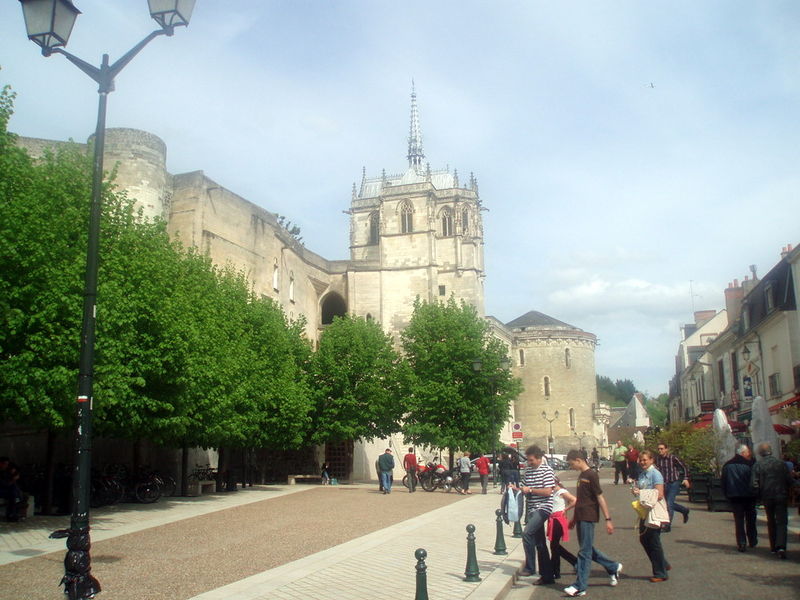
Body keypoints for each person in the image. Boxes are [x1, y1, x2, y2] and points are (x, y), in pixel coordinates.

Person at [562, 450, 622, 597]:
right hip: (581, 516)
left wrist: (608, 519)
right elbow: (581, 500)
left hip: (588, 517)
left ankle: (580, 586)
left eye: (572, 464)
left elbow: (600, 497)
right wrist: (574, 519)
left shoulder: (591, 475)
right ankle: (613, 566)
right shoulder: (581, 475)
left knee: (584, 552)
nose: (571, 467)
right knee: (587, 549)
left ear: (578, 460)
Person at [516, 445, 556, 585]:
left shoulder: (547, 471)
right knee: (540, 543)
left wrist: (531, 490)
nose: (529, 463)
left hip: (543, 508)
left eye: (531, 460)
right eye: (528, 460)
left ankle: (530, 567)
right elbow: (524, 487)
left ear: (539, 459)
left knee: (527, 533)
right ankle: (547, 575)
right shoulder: (528, 471)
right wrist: (516, 489)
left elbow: (548, 491)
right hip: (532, 509)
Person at [751, 442, 794, 559]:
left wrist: (758, 497)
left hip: (767, 496)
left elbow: (754, 483)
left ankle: (774, 546)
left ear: (760, 453)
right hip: (781, 495)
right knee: (782, 521)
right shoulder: (781, 464)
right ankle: (781, 546)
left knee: (771, 520)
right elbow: (789, 480)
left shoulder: (758, 465)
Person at [632, 450, 669, 582]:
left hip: (654, 510)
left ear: (652, 460)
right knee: (644, 539)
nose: (642, 462)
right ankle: (663, 563)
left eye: (645, 460)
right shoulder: (642, 474)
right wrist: (636, 491)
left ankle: (660, 573)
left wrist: (641, 493)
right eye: (641, 460)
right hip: (644, 510)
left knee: (653, 541)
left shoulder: (655, 474)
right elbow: (642, 489)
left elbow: (659, 494)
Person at [721, 444, 757, 551]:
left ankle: (741, 542)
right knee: (751, 519)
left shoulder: (727, 465)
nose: (749, 454)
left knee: (739, 520)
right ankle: (752, 539)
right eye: (747, 452)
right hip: (749, 496)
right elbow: (754, 481)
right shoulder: (750, 464)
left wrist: (726, 495)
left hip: (734, 496)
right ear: (743, 453)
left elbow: (723, 482)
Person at [655, 442, 690, 531]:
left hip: (673, 483)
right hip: (663, 484)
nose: (660, 450)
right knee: (667, 503)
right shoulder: (657, 459)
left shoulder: (673, 458)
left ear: (666, 449)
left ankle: (667, 525)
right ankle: (684, 510)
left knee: (669, 503)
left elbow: (684, 467)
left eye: (662, 449)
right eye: (658, 449)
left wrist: (685, 478)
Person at [548, 478, 577, 581]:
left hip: (559, 519)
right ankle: (574, 562)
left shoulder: (561, 491)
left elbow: (574, 500)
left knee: (554, 546)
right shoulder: (552, 492)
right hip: (553, 519)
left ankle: (555, 570)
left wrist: (565, 509)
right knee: (555, 546)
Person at [0, 457, 23, 522]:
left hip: (8, 490)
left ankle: (13, 514)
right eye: (5, 464)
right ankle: (12, 515)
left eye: (7, 464)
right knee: (13, 494)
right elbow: (5, 484)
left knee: (14, 493)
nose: (6, 466)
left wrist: (14, 474)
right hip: (2, 490)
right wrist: (13, 479)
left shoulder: (6, 471)